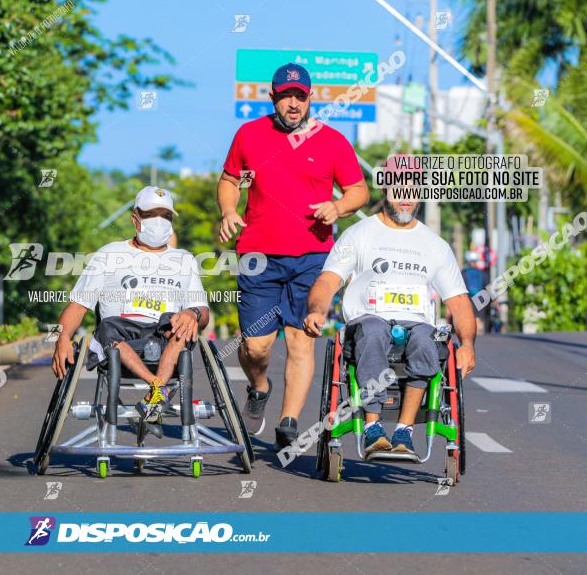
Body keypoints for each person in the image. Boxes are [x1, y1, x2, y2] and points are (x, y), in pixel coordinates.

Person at [218, 62, 370, 448]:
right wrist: (230, 211)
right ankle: (258, 387)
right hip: (259, 254)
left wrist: (338, 208)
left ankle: (288, 422)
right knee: (255, 346)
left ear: (309, 98)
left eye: (300, 96)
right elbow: (230, 179)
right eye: (286, 95)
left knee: (301, 338)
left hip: (312, 257)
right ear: (272, 97)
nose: (293, 103)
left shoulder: (333, 141)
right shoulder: (249, 135)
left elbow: (358, 191)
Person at [303, 189, 477, 455]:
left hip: (417, 323)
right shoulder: (358, 234)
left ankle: (404, 432)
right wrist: (317, 311)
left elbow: (459, 300)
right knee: (373, 332)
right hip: (369, 320)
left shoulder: (435, 245)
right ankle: (373, 428)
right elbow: (328, 280)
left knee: (426, 340)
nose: (406, 198)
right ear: (385, 191)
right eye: (399, 191)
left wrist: (467, 344)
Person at [51, 186, 209, 424]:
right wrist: (63, 339)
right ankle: (158, 389)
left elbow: (203, 311)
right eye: (151, 215)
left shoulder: (184, 259)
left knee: (181, 326)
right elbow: (79, 305)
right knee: (106, 328)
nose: (159, 221)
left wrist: (193, 312)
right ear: (135, 219)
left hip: (164, 336)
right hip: (119, 336)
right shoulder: (109, 254)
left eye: (165, 216)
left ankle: (154, 396)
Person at [462, 250, 491, 332]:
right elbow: (488, 288)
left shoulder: (463, 273)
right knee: (478, 320)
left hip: (467, 299)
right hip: (480, 298)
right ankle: (480, 336)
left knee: (468, 319)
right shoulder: (482, 273)